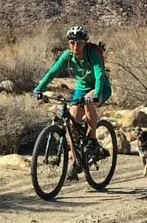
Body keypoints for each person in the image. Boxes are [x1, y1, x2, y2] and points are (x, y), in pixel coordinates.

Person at [33, 25, 111, 166]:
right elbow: (53, 72)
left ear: (85, 43)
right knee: (71, 124)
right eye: (72, 42)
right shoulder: (68, 56)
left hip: (101, 87)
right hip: (81, 89)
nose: (75, 46)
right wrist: (39, 88)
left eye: (79, 43)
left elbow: (99, 75)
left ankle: (92, 141)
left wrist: (96, 94)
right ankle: (76, 163)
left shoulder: (92, 54)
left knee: (88, 102)